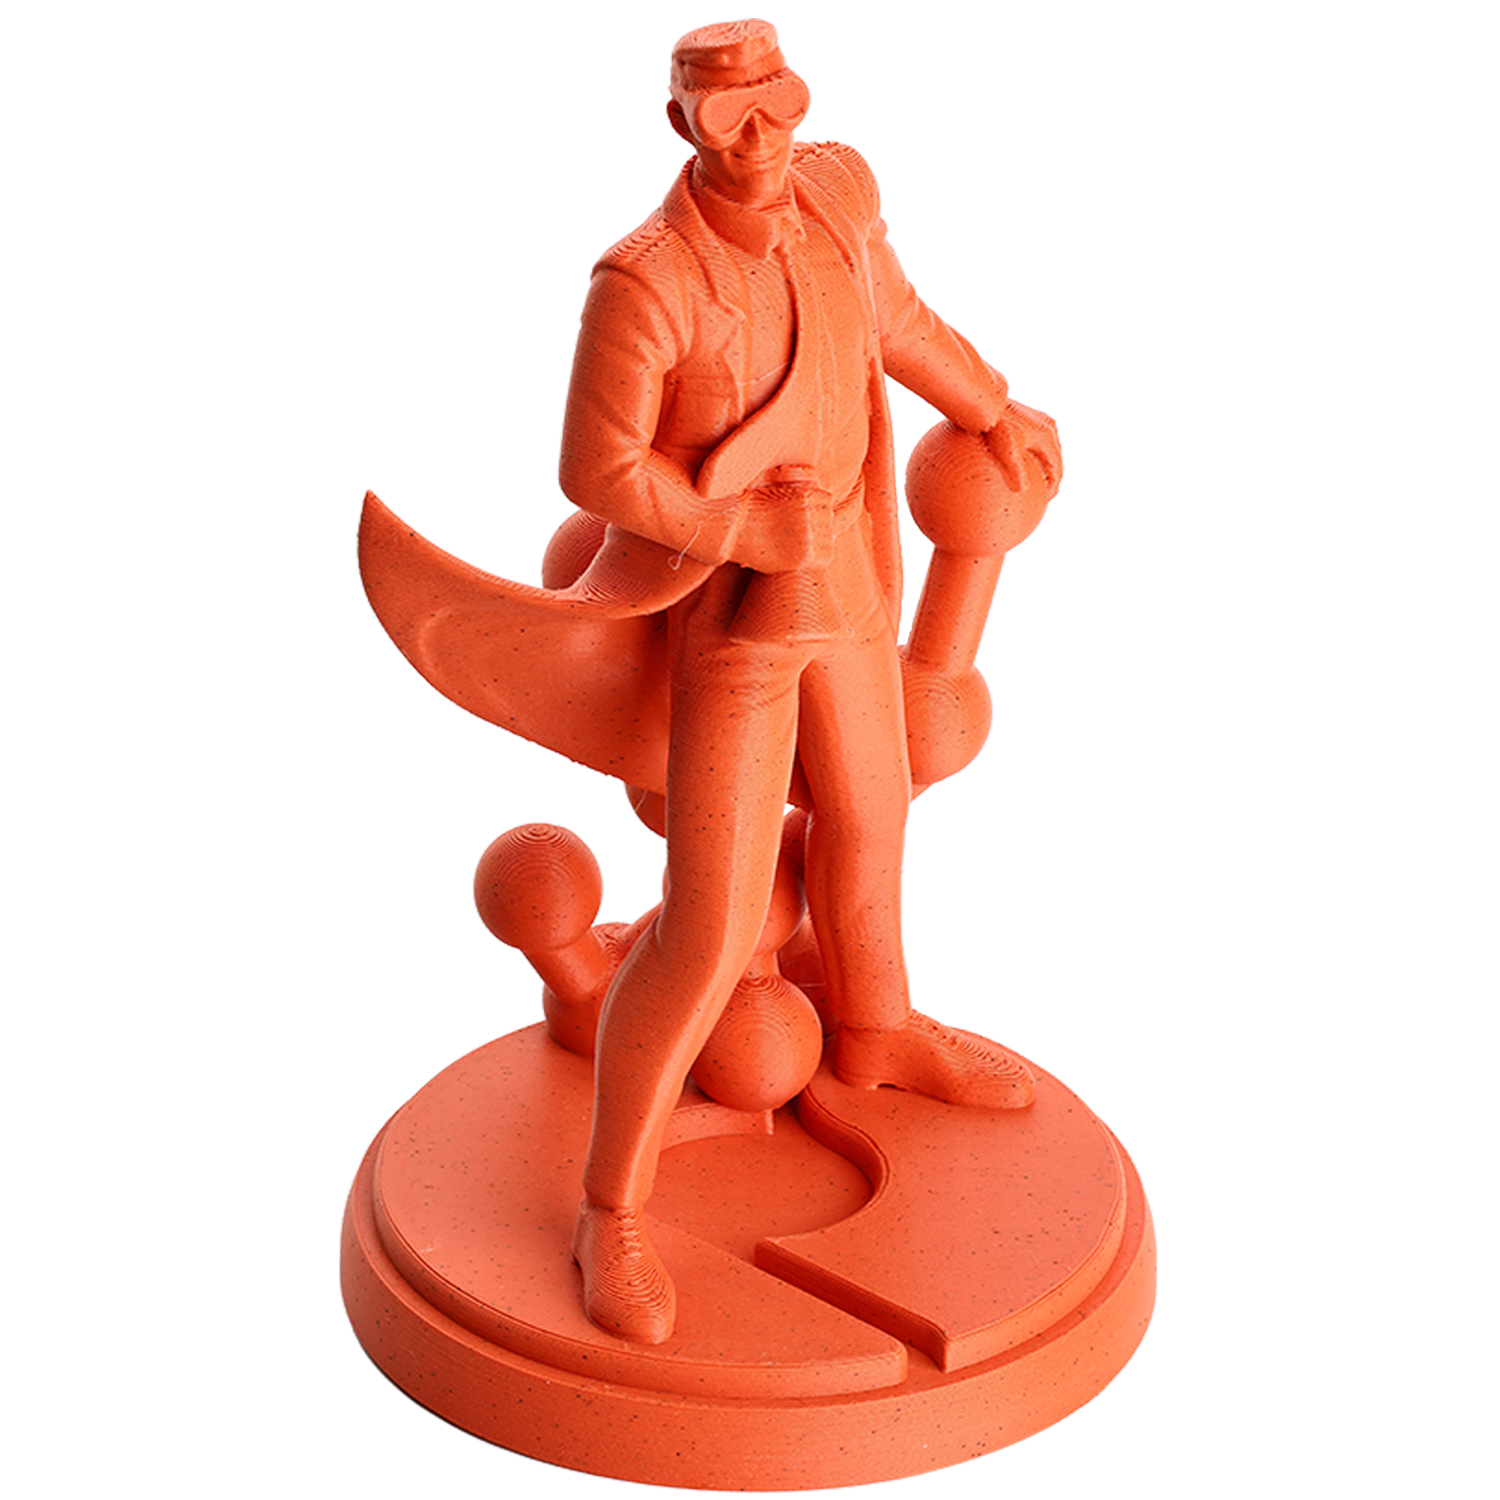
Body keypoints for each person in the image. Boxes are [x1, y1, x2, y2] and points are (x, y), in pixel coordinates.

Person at [557, 19, 1061, 1344]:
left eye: (776, 106)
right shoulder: (647, 284)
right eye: (730, 122)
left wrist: (992, 406)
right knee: (712, 925)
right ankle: (610, 1206)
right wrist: (733, 527)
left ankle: (878, 1030)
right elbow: (600, 470)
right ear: (684, 128)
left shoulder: (836, 193)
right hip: (733, 624)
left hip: (849, 582)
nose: (762, 140)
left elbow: (892, 319)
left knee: (873, 815)